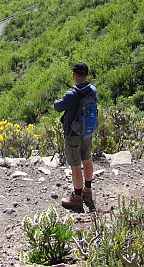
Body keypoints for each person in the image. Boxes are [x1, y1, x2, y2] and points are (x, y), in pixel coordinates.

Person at [53, 61, 96, 210]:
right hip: (87, 131)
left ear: (73, 75)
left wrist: (55, 101)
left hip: (73, 133)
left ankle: (77, 197)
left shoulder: (71, 95)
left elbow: (58, 106)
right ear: (87, 75)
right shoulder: (93, 91)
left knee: (75, 165)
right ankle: (88, 190)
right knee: (87, 158)